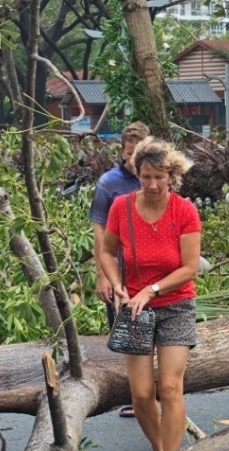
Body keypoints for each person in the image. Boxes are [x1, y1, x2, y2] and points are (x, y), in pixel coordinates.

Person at [99, 137, 201, 451]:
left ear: (171, 176)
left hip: (176, 305)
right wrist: (116, 283)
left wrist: (151, 289)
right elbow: (107, 251)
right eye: (146, 177)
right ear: (137, 174)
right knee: (142, 395)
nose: (153, 184)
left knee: (169, 387)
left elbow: (189, 268)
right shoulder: (122, 207)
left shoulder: (184, 211)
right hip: (135, 311)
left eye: (159, 177)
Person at [90, 122, 150, 418]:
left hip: (152, 273)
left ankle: (156, 395)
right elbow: (99, 231)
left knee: (157, 333)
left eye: (139, 154)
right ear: (122, 152)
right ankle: (136, 397)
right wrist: (102, 275)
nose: (134, 161)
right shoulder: (108, 183)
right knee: (128, 334)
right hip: (121, 274)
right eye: (129, 154)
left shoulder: (156, 179)